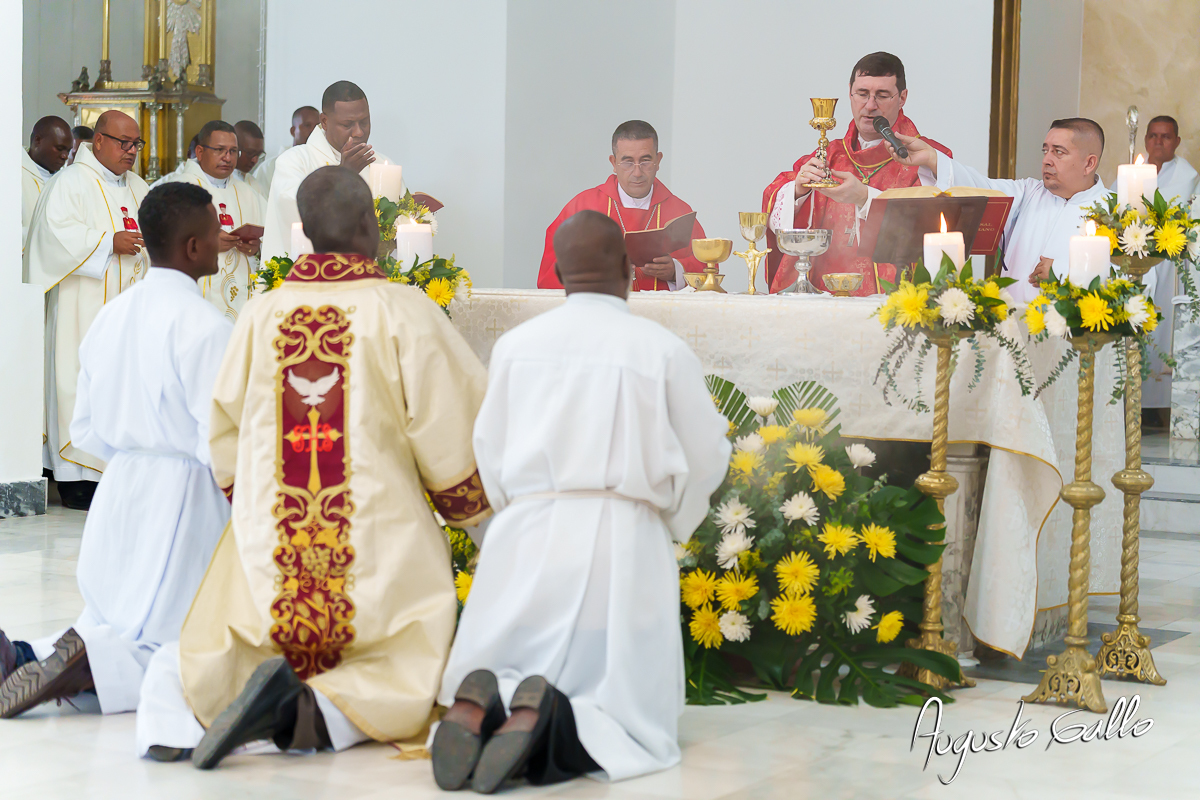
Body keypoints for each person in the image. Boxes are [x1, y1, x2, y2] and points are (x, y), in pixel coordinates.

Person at [135, 166, 488, 768]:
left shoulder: (260, 313)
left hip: (274, 543)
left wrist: (253, 506)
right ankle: (316, 716)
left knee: (211, 640)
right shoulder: (404, 310)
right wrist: (473, 517)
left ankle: (182, 716)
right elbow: (452, 428)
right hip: (375, 542)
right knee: (399, 659)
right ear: (367, 228)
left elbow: (223, 431)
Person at [433, 210, 731, 792]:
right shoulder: (660, 349)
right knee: (622, 712)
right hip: (623, 530)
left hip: (528, 528)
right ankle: (554, 717)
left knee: (512, 649)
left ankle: (482, 702)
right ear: (625, 268)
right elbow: (706, 451)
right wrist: (671, 520)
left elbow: (487, 445)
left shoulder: (517, 347)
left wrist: (510, 512)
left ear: (561, 275)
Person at [0, 183, 233, 720]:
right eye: (216, 232)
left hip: (121, 481)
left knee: (114, 611)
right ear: (194, 247)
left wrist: (134, 453)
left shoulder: (112, 315)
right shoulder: (207, 328)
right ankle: (88, 665)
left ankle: (33, 655)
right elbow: (219, 435)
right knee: (175, 639)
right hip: (184, 492)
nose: (223, 241)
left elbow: (84, 424)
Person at [25, 110, 151, 511]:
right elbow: (52, 236)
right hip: (82, 310)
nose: (131, 152)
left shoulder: (138, 188)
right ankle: (77, 480)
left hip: (128, 310)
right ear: (98, 141)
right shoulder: (70, 182)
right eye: (123, 143)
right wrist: (106, 242)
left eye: (137, 144)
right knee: (79, 384)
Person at [762, 52, 952, 295]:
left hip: (893, 306)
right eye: (862, 94)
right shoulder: (831, 155)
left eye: (882, 95)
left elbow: (936, 229)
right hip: (824, 302)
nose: (870, 105)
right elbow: (775, 198)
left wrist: (865, 198)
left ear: (902, 97)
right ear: (850, 93)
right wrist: (798, 192)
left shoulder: (928, 160)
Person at [891, 117, 1112, 303]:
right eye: (1046, 151)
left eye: (1059, 152)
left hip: (1073, 342)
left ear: (1089, 163)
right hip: (1013, 334)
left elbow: (1126, 280)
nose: (1046, 160)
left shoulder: (1116, 212)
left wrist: (1063, 272)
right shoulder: (1029, 192)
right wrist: (932, 159)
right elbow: (980, 189)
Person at [537, 120, 707, 291]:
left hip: (660, 316)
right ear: (613, 163)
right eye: (627, 162)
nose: (637, 172)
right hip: (602, 314)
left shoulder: (679, 212)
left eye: (645, 161)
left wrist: (675, 270)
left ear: (658, 160)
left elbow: (707, 270)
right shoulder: (582, 208)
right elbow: (549, 275)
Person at [261, 81, 396, 261]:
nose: (358, 132)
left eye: (364, 122)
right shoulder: (293, 161)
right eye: (348, 124)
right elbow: (296, 213)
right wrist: (343, 175)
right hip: (310, 278)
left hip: (369, 279)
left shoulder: (382, 163)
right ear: (324, 121)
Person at [159, 120, 264, 320]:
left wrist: (257, 248)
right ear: (199, 152)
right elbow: (161, 243)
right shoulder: (178, 190)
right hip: (197, 300)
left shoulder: (250, 194)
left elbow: (274, 237)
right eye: (219, 150)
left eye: (234, 151)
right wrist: (207, 244)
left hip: (244, 300)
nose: (228, 157)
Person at [1136, 115, 1197, 410]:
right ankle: (1131, 404)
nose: (1158, 142)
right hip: (1136, 262)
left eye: (1166, 136)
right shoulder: (1132, 172)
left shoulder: (1187, 176)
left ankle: (1161, 408)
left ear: (1177, 142)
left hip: (1170, 267)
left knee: (1162, 332)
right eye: (1153, 136)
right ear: (1145, 139)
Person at [22, 117, 73, 243]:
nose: (65, 156)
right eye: (59, 148)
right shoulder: (13, 174)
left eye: (68, 150)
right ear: (38, 140)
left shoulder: (66, 178)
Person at [251, 105, 320, 194]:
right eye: (307, 126)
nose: (314, 131)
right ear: (293, 131)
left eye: (318, 126)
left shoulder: (326, 164)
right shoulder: (268, 169)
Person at [233, 120, 267, 193]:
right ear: (234, 148)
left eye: (259, 154)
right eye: (250, 153)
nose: (255, 160)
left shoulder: (255, 185)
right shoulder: (219, 183)